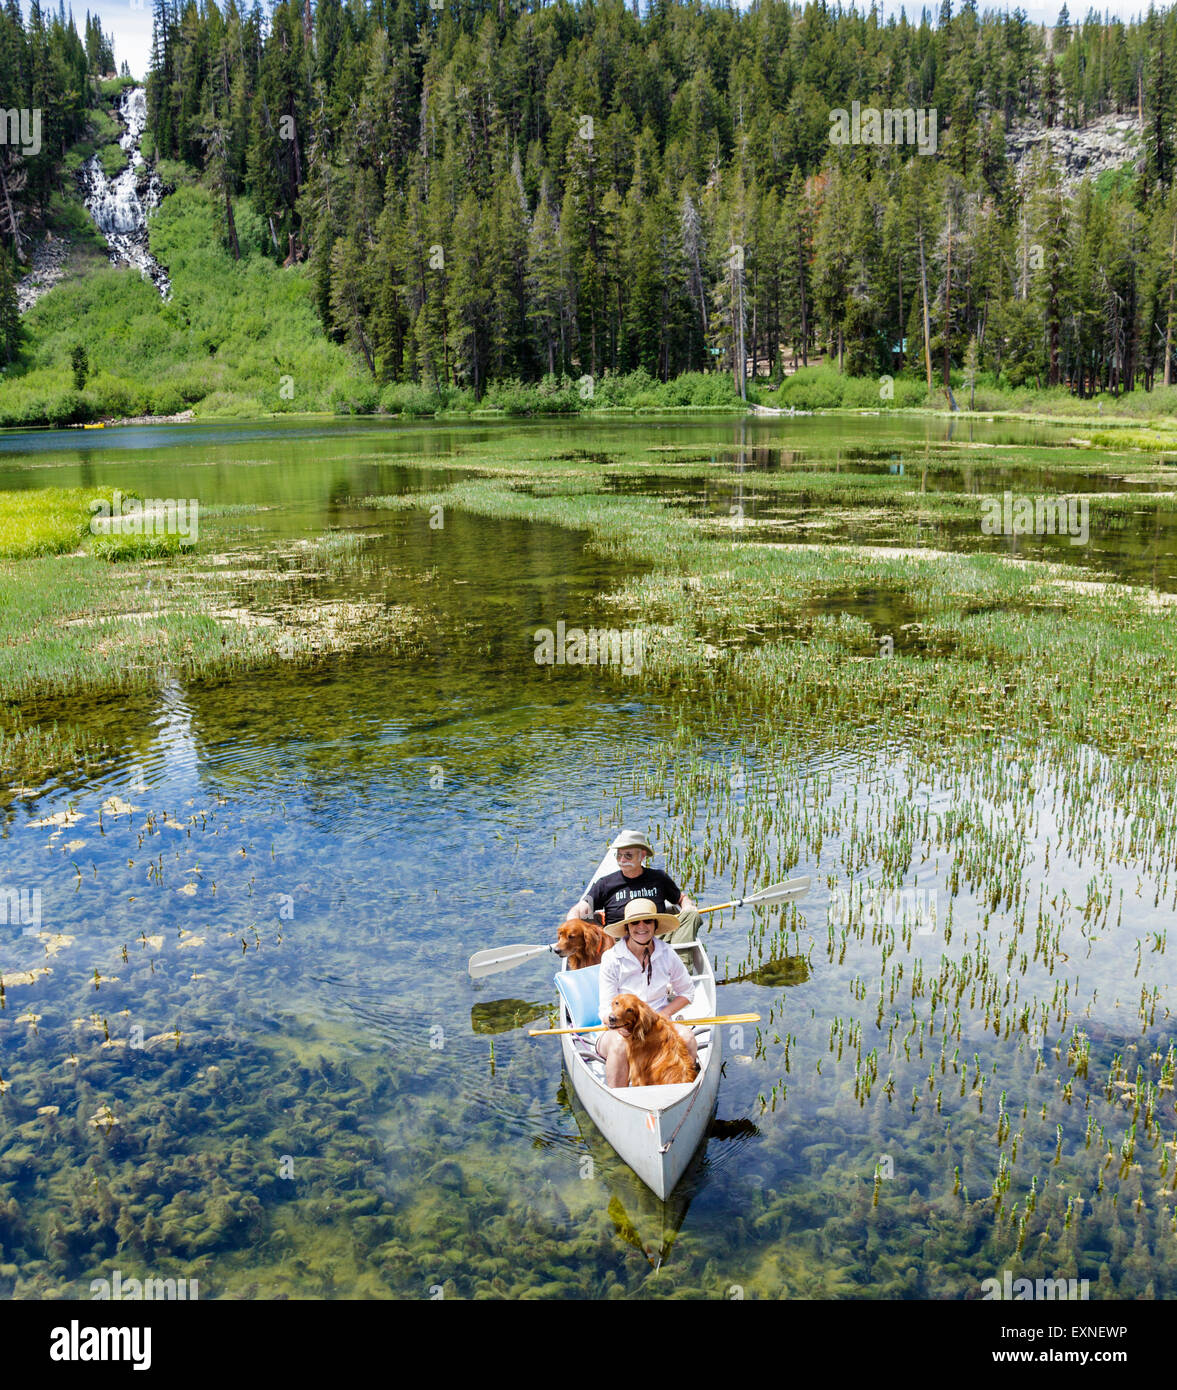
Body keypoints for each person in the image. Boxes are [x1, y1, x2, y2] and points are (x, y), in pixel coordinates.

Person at [594, 898, 699, 1088]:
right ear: (627, 928)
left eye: (647, 921)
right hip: (618, 1027)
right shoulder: (612, 958)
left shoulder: (667, 953)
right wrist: (621, 1028)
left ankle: (681, 1093)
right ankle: (620, 1100)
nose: (641, 927)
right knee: (619, 1047)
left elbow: (687, 992)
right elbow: (605, 1009)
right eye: (635, 922)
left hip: (657, 1024)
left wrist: (662, 1015)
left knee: (687, 1038)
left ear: (655, 925)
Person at [568, 829, 702, 946]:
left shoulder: (659, 878)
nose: (622, 860)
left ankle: (681, 964)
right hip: (620, 941)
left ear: (642, 855)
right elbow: (583, 907)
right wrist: (572, 920)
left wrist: (687, 906)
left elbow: (680, 898)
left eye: (628, 855)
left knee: (691, 915)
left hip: (657, 937)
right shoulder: (605, 883)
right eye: (619, 855)